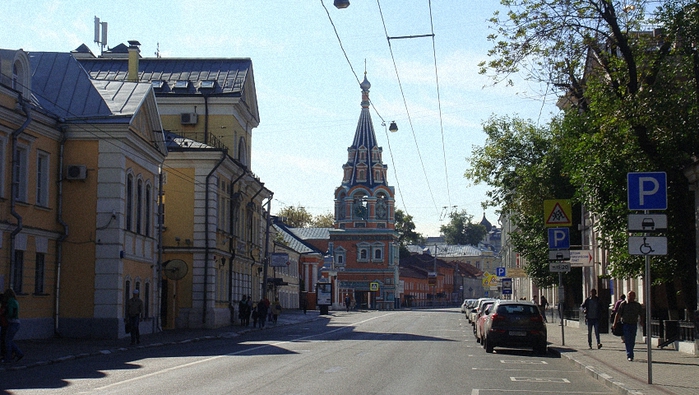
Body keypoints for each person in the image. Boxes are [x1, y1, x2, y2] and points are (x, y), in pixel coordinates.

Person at [613, 290, 643, 361]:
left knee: (632, 339)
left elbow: (641, 314)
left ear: (634, 296)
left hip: (633, 324)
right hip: (625, 324)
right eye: (629, 296)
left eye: (632, 295)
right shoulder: (623, 304)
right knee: (627, 339)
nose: (631, 297)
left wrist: (642, 321)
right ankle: (629, 354)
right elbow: (618, 314)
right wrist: (615, 323)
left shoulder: (637, 305)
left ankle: (631, 351)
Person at [3, 289, 23, 363]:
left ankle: (8, 358)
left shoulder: (10, 301)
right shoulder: (15, 301)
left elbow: (11, 313)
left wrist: (6, 316)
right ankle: (19, 353)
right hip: (16, 323)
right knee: (9, 340)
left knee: (7, 341)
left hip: (12, 323)